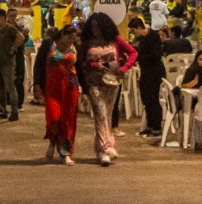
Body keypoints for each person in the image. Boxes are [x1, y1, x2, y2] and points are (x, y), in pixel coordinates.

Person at [78, 12, 137, 166]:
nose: (95, 29)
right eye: (93, 26)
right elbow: (81, 63)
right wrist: (94, 65)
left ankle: (100, 149)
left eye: (98, 26)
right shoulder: (87, 42)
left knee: (107, 116)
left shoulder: (115, 40)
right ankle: (107, 148)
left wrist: (124, 68)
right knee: (101, 114)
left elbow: (133, 53)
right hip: (93, 82)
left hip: (111, 81)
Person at [42, 25, 80, 165]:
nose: (71, 40)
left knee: (68, 121)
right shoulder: (49, 45)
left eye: (73, 38)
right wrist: (37, 85)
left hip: (70, 88)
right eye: (68, 37)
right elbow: (39, 65)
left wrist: (85, 89)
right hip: (53, 88)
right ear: (62, 34)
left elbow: (79, 67)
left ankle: (66, 153)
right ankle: (52, 142)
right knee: (54, 117)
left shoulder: (75, 47)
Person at [128, 16, 166, 138]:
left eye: (133, 31)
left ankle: (157, 126)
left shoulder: (153, 37)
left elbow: (155, 55)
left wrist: (139, 56)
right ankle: (149, 125)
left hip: (154, 72)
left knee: (153, 98)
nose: (133, 34)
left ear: (139, 27)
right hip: (146, 71)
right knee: (146, 98)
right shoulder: (142, 38)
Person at [0, 5, 24, 122]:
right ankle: (2, 110)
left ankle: (14, 111)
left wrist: (13, 48)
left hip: (8, 63)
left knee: (10, 87)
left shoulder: (10, 29)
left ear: (3, 17)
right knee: (0, 88)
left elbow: (21, 38)